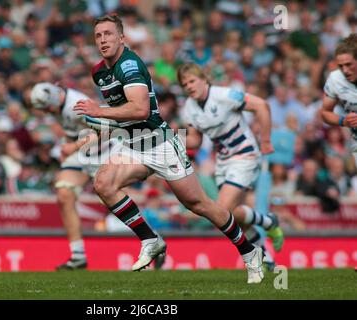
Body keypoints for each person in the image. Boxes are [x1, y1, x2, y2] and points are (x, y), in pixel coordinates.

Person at [73, 15, 264, 283]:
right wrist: (97, 130)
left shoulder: (130, 65)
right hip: (133, 143)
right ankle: (150, 240)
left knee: (199, 204)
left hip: (160, 144)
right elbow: (121, 115)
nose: (103, 40)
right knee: (103, 183)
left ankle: (249, 251)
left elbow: (140, 109)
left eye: (108, 34)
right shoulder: (98, 73)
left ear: (121, 38)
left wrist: (98, 111)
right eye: (98, 36)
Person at [176, 62, 284, 269]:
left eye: (192, 81)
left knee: (222, 210)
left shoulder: (224, 95)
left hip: (244, 154)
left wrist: (266, 140)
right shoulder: (189, 108)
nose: (189, 86)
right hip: (223, 161)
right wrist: (168, 138)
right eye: (185, 84)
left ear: (204, 79)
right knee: (231, 214)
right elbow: (195, 141)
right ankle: (268, 229)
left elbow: (262, 105)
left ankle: (259, 245)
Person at [30, 81, 119, 270]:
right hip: (83, 152)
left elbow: (106, 131)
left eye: (46, 108)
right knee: (64, 195)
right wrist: (68, 145)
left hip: (104, 152)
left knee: (115, 203)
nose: (46, 112)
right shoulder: (59, 105)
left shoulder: (76, 105)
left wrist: (72, 146)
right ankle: (78, 255)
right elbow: (75, 132)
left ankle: (151, 239)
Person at [321, 34, 357, 165]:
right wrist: (343, 121)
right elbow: (325, 113)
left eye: (349, 65)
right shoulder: (335, 79)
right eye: (340, 66)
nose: (345, 70)